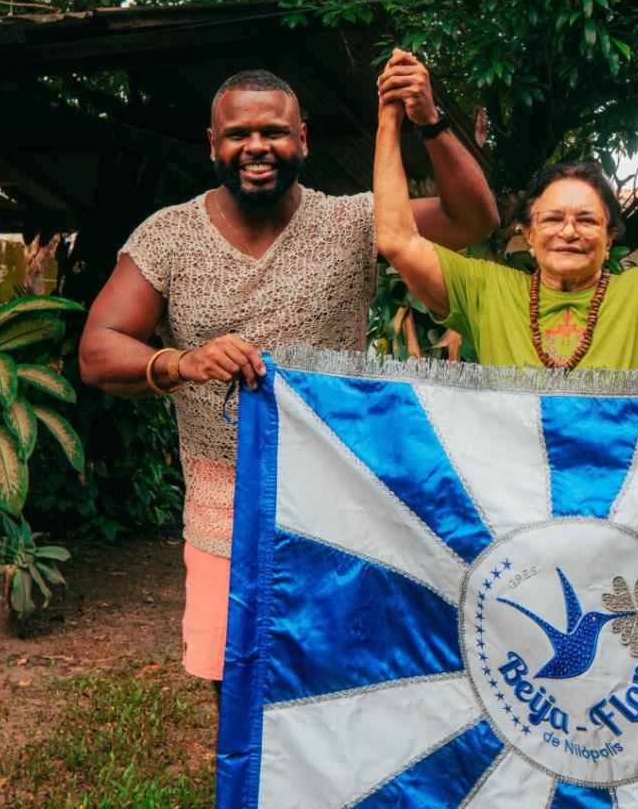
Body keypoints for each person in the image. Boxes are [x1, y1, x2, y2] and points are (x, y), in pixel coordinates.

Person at [79, 58, 500, 689]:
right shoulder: (169, 236)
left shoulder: (353, 221)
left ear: (302, 139)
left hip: (339, 495)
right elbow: (97, 350)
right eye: (238, 134)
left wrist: (429, 121)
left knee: (337, 678)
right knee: (236, 680)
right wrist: (179, 362)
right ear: (213, 144)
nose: (257, 146)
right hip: (225, 505)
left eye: (274, 132)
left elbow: (474, 221)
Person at [373, 45, 638, 369]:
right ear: (528, 234)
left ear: (610, 238)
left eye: (587, 220)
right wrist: (393, 121)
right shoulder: (486, 292)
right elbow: (397, 241)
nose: (569, 231)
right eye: (553, 218)